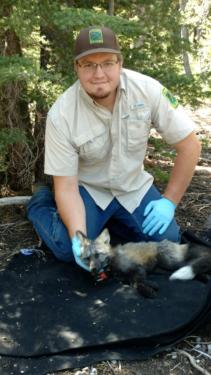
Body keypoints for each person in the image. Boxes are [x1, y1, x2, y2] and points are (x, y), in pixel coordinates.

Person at [27, 26, 201, 271]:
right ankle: (40, 202)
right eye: (88, 64)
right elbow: (66, 187)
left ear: (119, 63)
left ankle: (112, 221)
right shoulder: (62, 114)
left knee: (168, 241)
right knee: (68, 249)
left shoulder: (148, 90)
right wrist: (79, 236)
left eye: (107, 63)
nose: (98, 73)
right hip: (89, 191)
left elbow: (190, 146)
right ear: (76, 67)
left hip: (133, 188)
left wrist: (169, 202)